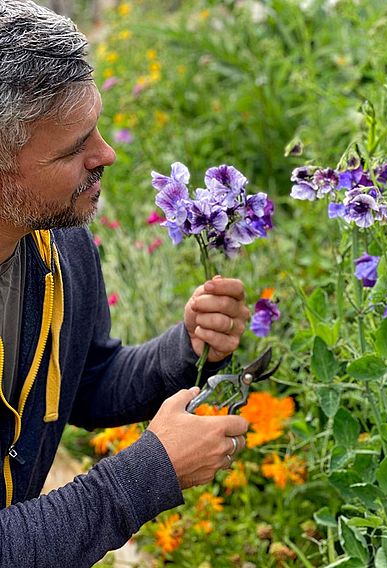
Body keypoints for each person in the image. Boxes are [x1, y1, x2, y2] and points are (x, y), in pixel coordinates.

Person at [0, 1, 251, 566]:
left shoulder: (56, 242)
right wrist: (146, 475)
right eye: (74, 148)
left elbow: (84, 384)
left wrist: (185, 348)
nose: (106, 155)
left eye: (96, 128)